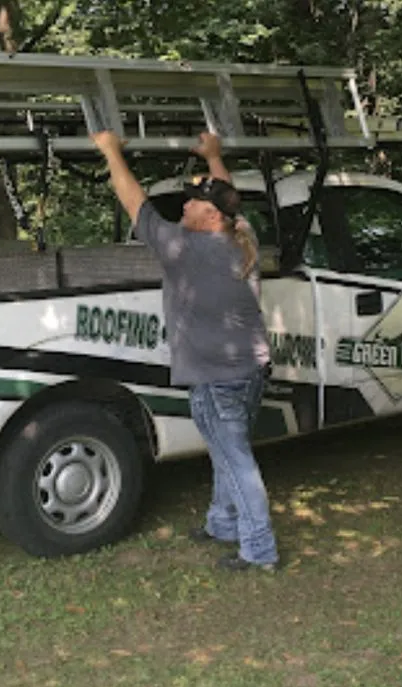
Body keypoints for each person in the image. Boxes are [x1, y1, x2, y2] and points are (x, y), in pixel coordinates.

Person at [90, 130, 279, 572]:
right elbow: (228, 196)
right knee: (227, 451)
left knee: (235, 460)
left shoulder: (185, 248)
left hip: (216, 378)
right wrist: (214, 155)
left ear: (211, 217)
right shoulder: (240, 236)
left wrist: (111, 151)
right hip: (249, 369)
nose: (185, 207)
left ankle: (259, 547)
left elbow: (133, 201)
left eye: (193, 204)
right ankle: (223, 522)